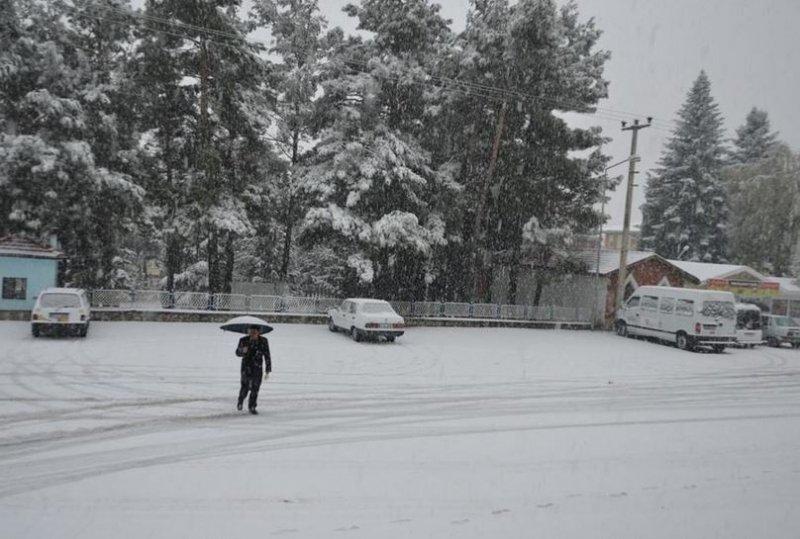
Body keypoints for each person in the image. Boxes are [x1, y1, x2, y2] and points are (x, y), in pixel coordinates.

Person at [235, 325, 271, 414]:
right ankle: (240, 400)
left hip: (257, 367)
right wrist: (242, 350)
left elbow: (267, 355)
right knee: (245, 387)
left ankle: (252, 407)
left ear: (259, 332)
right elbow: (237, 353)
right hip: (246, 367)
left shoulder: (264, 341)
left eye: (255, 332)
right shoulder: (243, 340)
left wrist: (268, 369)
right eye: (251, 331)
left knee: (255, 388)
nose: (253, 334)